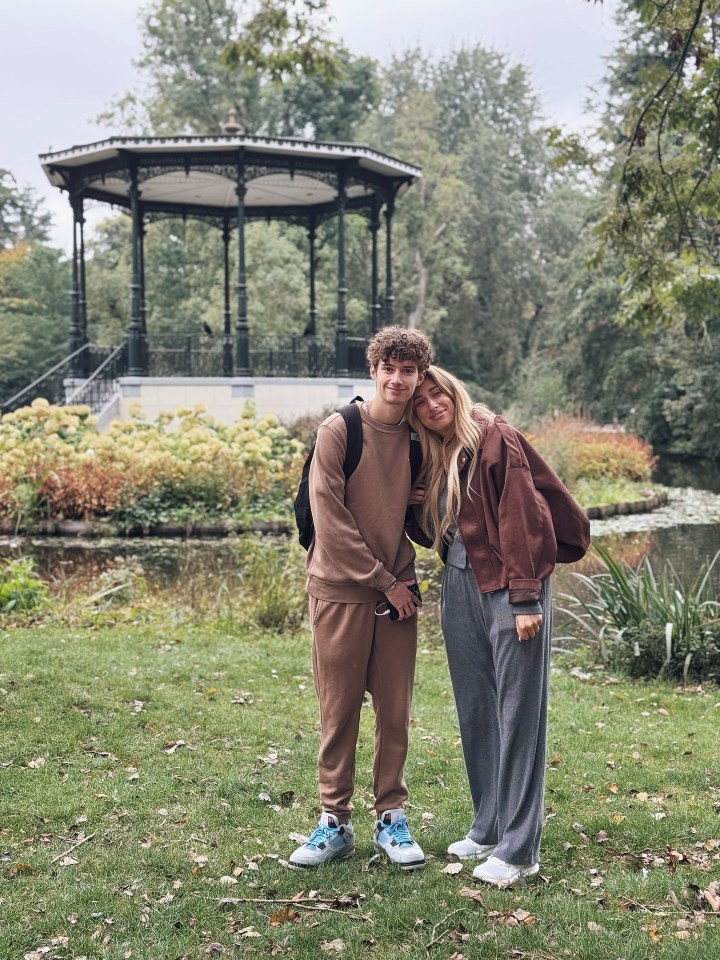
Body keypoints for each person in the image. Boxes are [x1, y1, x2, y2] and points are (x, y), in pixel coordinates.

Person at [408, 366, 590, 887]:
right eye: (420, 401)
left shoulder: (494, 437)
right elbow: (429, 523)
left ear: (454, 391)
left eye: (436, 392)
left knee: (518, 711)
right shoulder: (436, 454)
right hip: (460, 580)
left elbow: (521, 517)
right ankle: (488, 826)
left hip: (512, 582)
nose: (431, 404)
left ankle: (519, 849)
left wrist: (526, 597)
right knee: (476, 705)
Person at [289, 326, 434, 871]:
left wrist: (425, 501)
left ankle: (391, 818)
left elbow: (419, 524)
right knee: (340, 708)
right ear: (373, 370)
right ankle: (334, 822)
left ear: (420, 378)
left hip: (399, 594)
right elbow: (331, 522)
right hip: (343, 590)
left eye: (409, 370)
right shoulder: (339, 430)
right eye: (388, 368)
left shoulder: (421, 440)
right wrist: (384, 581)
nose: (397, 379)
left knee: (394, 712)